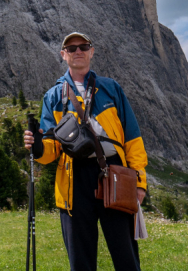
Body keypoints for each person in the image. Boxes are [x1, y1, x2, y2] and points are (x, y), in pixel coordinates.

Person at [24, 32, 148, 271]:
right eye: (71, 49)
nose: (77, 51)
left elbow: (132, 137)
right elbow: (51, 150)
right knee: (80, 261)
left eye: (83, 46)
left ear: (92, 52)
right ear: (63, 55)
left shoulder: (111, 88)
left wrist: (139, 182)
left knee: (126, 257)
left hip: (114, 172)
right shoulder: (53, 97)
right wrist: (38, 146)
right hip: (73, 179)